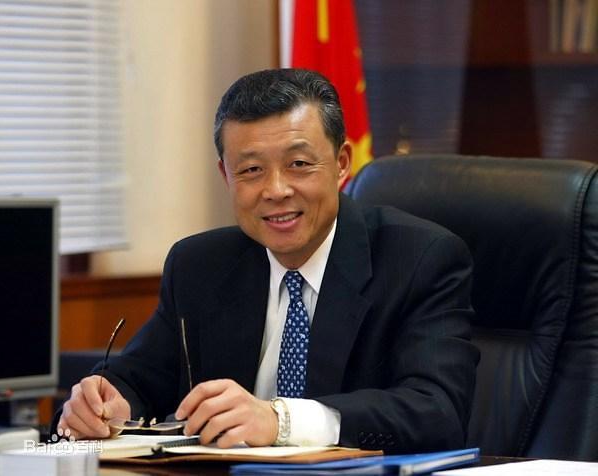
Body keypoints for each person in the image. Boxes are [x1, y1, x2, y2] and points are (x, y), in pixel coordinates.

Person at [56, 68, 479, 452]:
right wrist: (105, 403)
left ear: (341, 164)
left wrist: (281, 420)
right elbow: (138, 378)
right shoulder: (200, 265)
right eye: (251, 170)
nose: (275, 190)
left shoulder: (418, 260)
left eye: (298, 164)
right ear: (226, 175)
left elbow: (437, 412)